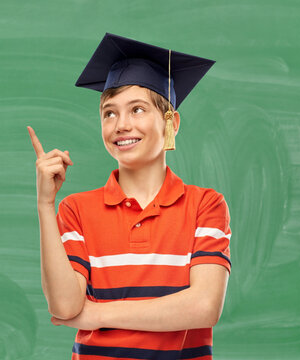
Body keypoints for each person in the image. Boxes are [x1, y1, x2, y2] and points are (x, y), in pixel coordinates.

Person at [27, 33, 231, 360]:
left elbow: (204, 306)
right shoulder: (77, 209)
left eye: (137, 110)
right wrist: (45, 204)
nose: (121, 124)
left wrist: (100, 314)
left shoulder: (205, 205)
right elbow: (65, 306)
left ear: (170, 123)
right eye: (109, 113)